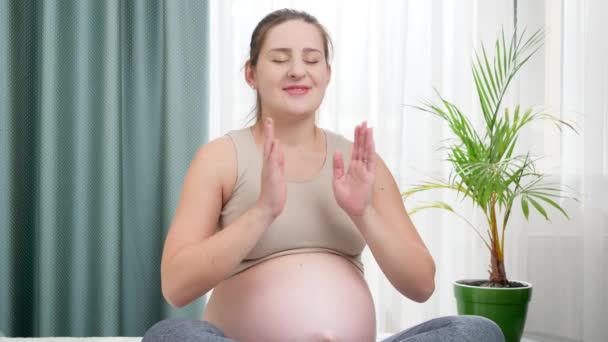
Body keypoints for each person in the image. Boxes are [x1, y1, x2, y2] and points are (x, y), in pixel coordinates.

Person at [142, 8, 504, 342]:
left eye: (312, 59)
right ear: (250, 73)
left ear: (327, 74)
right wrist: (262, 212)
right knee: (170, 335)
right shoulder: (221, 158)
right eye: (280, 59)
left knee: (477, 331)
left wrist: (363, 213)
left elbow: (421, 285)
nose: (298, 70)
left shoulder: (360, 161)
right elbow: (176, 286)